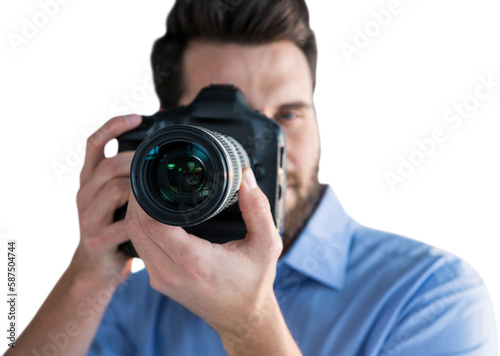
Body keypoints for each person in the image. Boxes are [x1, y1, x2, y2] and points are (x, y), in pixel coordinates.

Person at [6, 0, 497, 355]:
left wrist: (248, 325)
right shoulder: (136, 298)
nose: (259, 156)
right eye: (224, 126)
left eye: (285, 116)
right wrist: (90, 274)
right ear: (167, 135)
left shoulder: (431, 294)